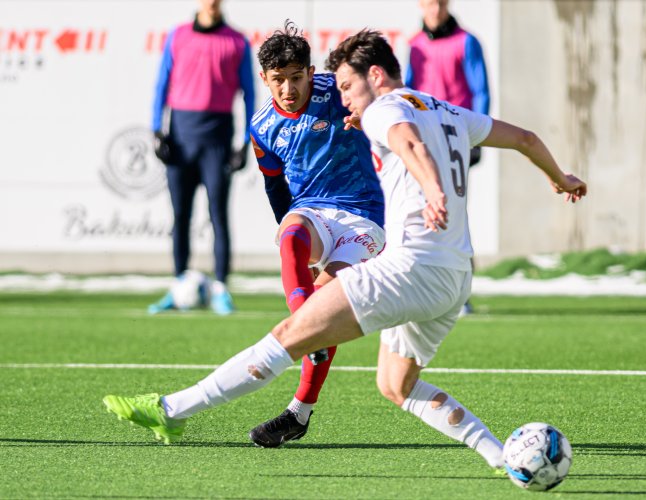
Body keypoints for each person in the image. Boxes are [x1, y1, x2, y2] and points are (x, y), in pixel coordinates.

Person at [102, 30, 587, 473]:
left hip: (408, 269)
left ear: (374, 76)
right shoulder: (446, 109)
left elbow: (408, 144)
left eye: (349, 86)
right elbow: (523, 138)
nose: (344, 98)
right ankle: (501, 457)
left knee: (288, 335)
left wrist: (432, 188)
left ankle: (169, 411)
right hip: (456, 277)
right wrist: (559, 177)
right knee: (396, 385)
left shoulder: (383, 109)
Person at [246, 21, 385, 447]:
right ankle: (303, 316)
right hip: (313, 213)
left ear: (310, 72)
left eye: (295, 77)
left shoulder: (337, 91)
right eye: (277, 80)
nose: (288, 88)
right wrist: (293, 229)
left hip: (365, 216)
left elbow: (387, 106)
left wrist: (368, 116)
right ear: (265, 80)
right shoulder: (262, 127)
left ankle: (299, 412)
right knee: (289, 235)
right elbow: (274, 186)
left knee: (328, 313)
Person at [148, 0, 255, 316]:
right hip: (181, 138)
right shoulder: (177, 35)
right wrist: (156, 130)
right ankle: (178, 284)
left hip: (217, 140)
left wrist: (246, 142)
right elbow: (161, 84)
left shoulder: (237, 40)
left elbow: (249, 93)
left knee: (218, 215)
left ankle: (221, 287)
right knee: (180, 215)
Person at [405, 0, 491, 315]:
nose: (435, 9)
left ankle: (461, 293)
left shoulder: (467, 42)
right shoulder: (414, 45)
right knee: (423, 211)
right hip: (425, 141)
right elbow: (408, 92)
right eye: (429, 3)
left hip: (456, 138)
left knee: (455, 216)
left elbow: (480, 90)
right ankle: (426, 287)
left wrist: (476, 136)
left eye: (440, 3)